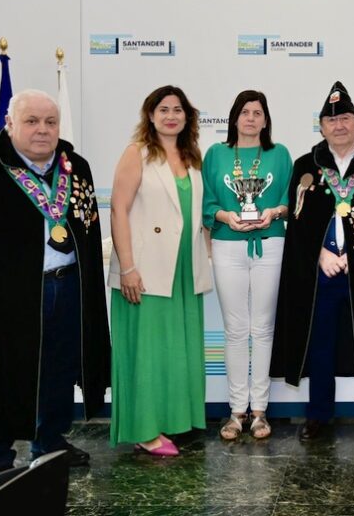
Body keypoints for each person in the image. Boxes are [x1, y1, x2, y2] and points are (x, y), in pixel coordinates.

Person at [0, 89, 110, 477]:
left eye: (50, 122)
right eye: (31, 121)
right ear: (9, 124)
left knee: (59, 370)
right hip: (5, 298)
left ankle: (50, 444)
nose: (43, 130)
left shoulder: (75, 166)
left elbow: (88, 229)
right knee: (3, 373)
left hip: (68, 284)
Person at [270, 81, 354, 442]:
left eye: (346, 117)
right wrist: (320, 253)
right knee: (321, 346)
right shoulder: (306, 166)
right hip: (323, 272)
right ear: (321, 126)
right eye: (331, 120)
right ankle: (318, 416)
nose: (339, 125)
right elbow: (297, 224)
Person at [108, 85, 212, 456]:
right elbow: (118, 209)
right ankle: (144, 429)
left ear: (187, 116)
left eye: (178, 109)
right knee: (146, 352)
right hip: (145, 272)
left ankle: (172, 421)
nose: (171, 115)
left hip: (184, 271)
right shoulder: (136, 154)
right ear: (150, 116)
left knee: (176, 350)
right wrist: (128, 268)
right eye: (163, 109)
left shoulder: (193, 157)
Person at [202, 90, 292, 440]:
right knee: (236, 329)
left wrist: (274, 212)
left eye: (257, 112)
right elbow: (208, 202)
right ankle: (236, 411)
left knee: (263, 327)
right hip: (227, 244)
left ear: (266, 119)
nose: (251, 118)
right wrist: (225, 215)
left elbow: (287, 199)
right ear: (234, 118)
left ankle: (260, 412)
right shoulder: (216, 154)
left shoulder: (279, 154)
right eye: (244, 112)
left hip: (271, 244)